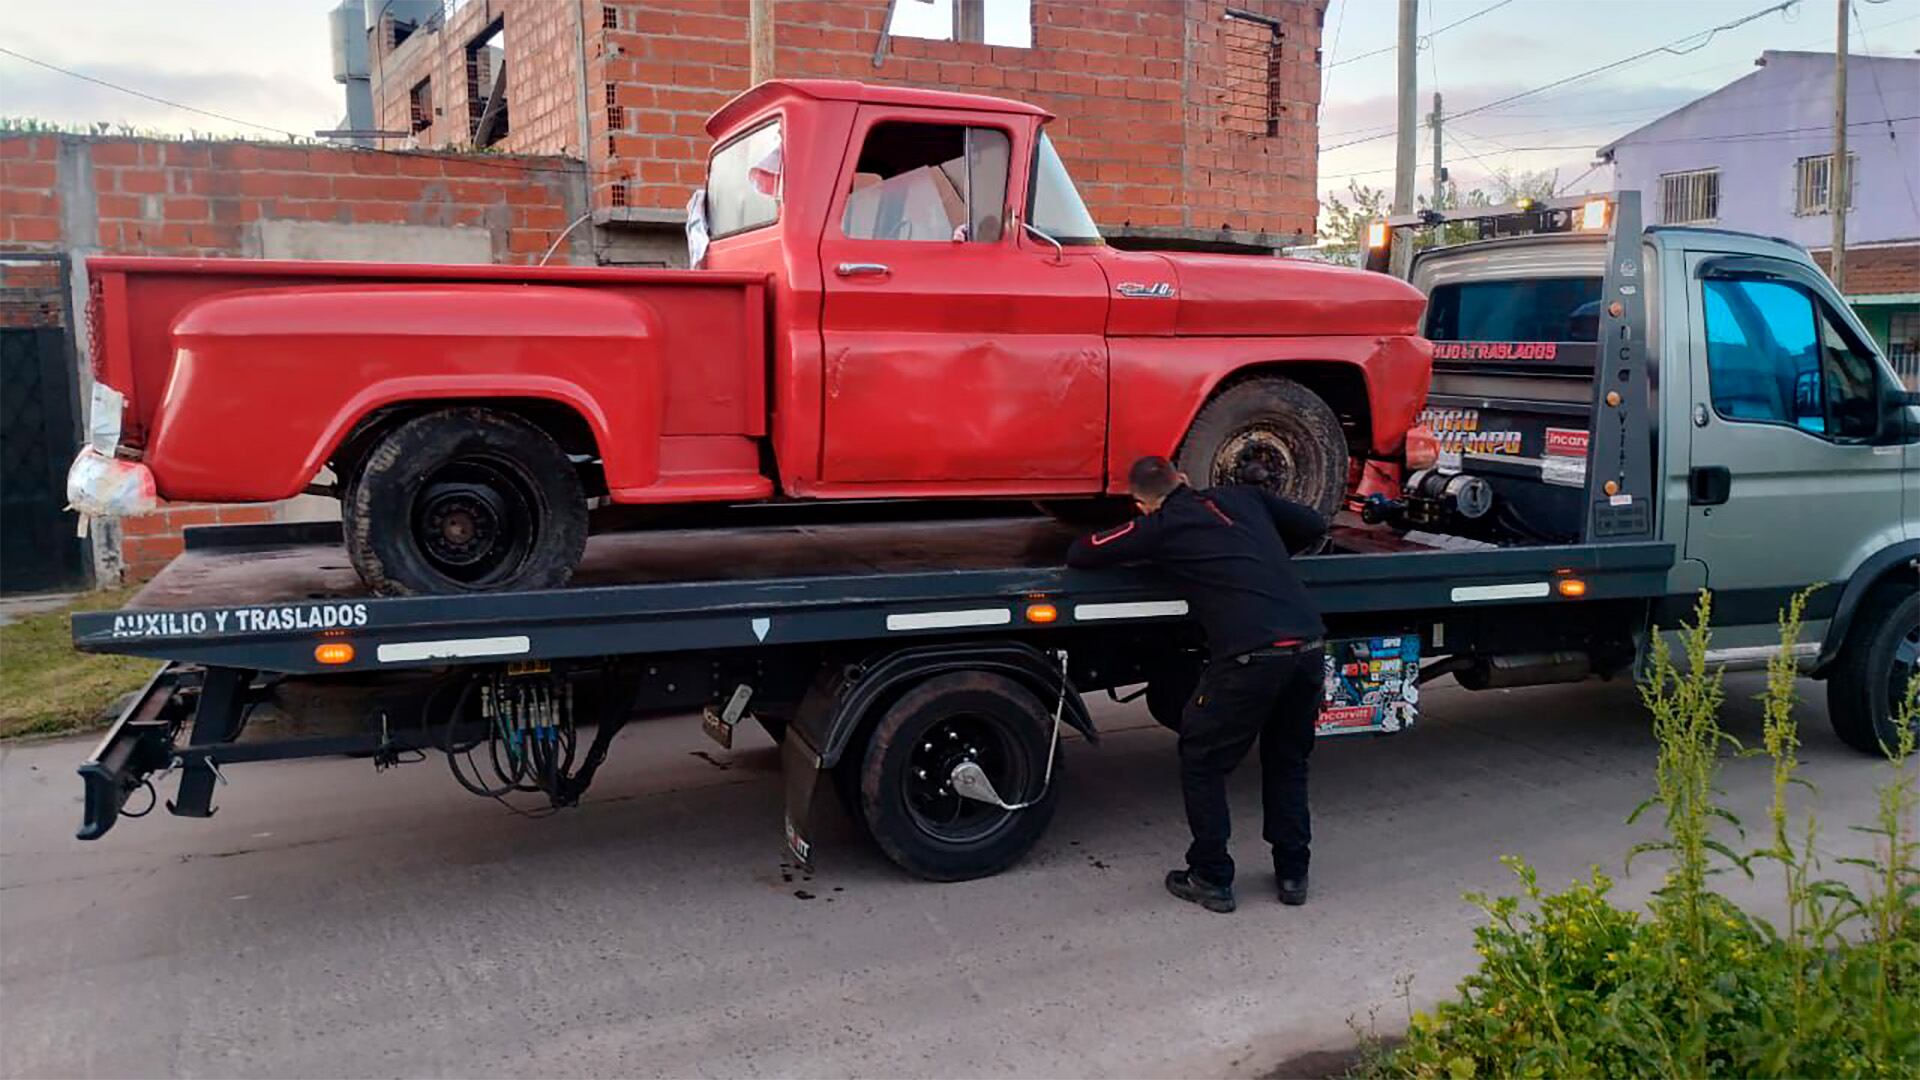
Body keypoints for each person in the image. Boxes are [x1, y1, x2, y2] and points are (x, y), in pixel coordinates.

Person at [1066, 455, 1328, 914]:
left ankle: (1210, 875)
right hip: (1308, 646)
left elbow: (1083, 552)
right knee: (1288, 760)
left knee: (1202, 760)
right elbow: (1312, 524)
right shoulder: (1243, 497)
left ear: (1141, 504)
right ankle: (1293, 874)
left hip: (1250, 657)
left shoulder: (1160, 526)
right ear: (1183, 478)